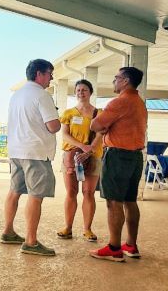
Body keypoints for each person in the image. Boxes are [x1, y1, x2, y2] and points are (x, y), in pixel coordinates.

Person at [1, 59, 61, 256]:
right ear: (39, 74)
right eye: (49, 73)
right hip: (35, 152)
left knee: (14, 191)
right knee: (36, 196)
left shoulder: (17, 95)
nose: (51, 78)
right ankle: (31, 242)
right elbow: (54, 126)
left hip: (17, 150)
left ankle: (8, 232)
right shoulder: (42, 95)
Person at [89, 67, 147, 262]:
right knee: (130, 201)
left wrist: (105, 129)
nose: (114, 81)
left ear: (125, 81)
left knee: (113, 201)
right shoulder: (139, 102)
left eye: (116, 78)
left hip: (118, 156)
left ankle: (114, 248)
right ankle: (131, 245)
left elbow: (95, 126)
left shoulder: (119, 101)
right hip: (136, 157)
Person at [57, 79, 103, 242]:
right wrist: (81, 147)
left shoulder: (99, 113)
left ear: (90, 92)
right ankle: (68, 228)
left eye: (84, 90)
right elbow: (65, 134)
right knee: (71, 192)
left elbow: (100, 134)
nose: (80, 92)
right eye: (78, 90)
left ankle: (87, 229)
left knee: (88, 193)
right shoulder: (69, 113)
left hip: (93, 157)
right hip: (71, 157)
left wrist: (89, 150)